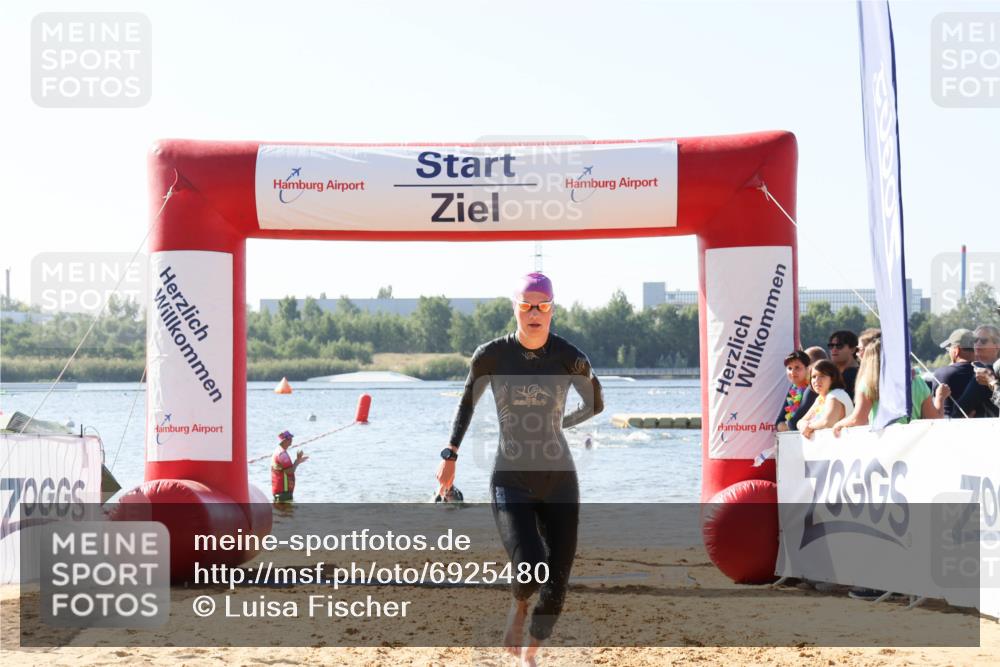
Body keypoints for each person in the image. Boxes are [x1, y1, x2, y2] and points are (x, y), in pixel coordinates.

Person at [437, 271, 603, 666]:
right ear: (515, 307)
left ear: (552, 310)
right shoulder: (492, 355)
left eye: (542, 305)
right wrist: (450, 455)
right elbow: (467, 404)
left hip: (560, 480)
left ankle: (530, 655)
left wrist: (561, 422)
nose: (534, 312)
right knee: (529, 567)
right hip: (511, 478)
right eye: (526, 304)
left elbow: (596, 404)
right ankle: (518, 606)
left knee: (557, 584)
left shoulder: (570, 357)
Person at [832, 337, 947, 436]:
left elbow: (859, 419)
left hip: (883, 445)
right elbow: (935, 419)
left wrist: (838, 424)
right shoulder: (917, 381)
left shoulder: (869, 383)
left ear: (869, 359)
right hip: (912, 445)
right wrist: (940, 398)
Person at [799, 360, 854, 440]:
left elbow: (827, 422)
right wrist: (803, 424)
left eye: (822, 376)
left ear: (832, 378)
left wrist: (809, 426)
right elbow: (800, 421)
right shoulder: (820, 399)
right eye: (813, 377)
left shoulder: (835, 395)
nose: (816, 381)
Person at [957, 325, 1000, 418]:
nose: (978, 344)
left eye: (983, 341)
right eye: (975, 341)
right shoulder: (967, 370)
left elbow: (958, 412)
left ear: (997, 345)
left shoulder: (983, 374)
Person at [933, 329, 977, 418]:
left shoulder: (942, 374)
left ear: (956, 350)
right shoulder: (987, 372)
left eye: (949, 348)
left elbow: (935, 411)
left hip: (951, 428)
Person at [774, 350, 816, 432]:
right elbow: (778, 423)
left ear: (807, 369)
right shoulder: (793, 388)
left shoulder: (812, 389)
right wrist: (786, 426)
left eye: (797, 368)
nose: (792, 372)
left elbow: (793, 423)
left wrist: (786, 426)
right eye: (789, 368)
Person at [271, 430, 307, 503]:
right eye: (289, 438)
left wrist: (298, 460)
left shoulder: (280, 451)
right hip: (283, 493)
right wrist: (297, 462)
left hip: (282, 492)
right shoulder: (281, 454)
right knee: (286, 514)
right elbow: (289, 471)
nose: (291, 440)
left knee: (284, 513)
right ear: (284, 440)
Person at [827, 330, 860, 399]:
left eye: (839, 346)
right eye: (831, 346)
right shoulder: (830, 373)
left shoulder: (855, 374)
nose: (834, 349)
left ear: (853, 349)